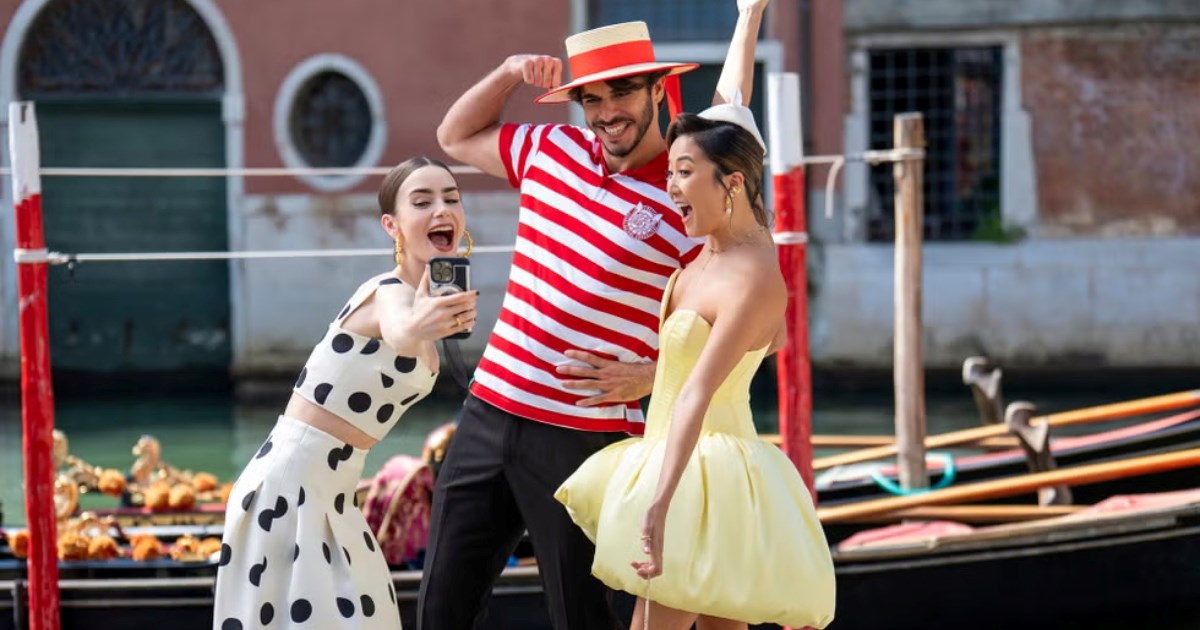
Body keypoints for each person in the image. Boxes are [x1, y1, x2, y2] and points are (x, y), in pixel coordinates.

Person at [418, 13, 712, 630]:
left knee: (582, 618)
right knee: (441, 608)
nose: (606, 112)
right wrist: (507, 74)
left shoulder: (689, 197)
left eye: (622, 92)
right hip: (488, 413)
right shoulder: (549, 148)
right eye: (591, 99)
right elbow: (454, 135)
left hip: (588, 439)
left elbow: (754, 331)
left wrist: (653, 376)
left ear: (658, 89)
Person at [553, 2, 838, 629]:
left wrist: (658, 506)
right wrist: (749, 16)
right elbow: (730, 99)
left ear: (730, 184)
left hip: (696, 478)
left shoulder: (750, 274)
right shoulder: (721, 232)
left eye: (683, 173)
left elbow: (695, 394)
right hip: (685, 466)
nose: (671, 186)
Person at [213, 157, 478, 630]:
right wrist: (420, 324)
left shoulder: (422, 302)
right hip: (287, 492)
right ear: (392, 226)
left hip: (335, 494)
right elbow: (400, 329)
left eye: (451, 198)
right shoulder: (387, 292)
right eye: (422, 202)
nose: (442, 209)